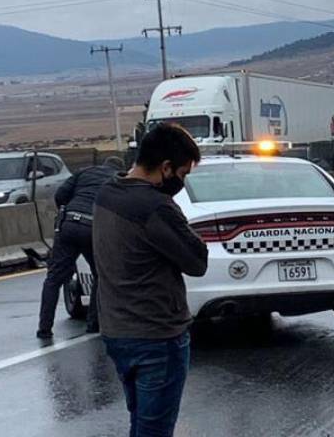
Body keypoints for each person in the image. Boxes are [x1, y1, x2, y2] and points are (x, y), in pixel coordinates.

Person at [93, 124, 207, 437]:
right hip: (157, 335)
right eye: (182, 174)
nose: (181, 183)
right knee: (154, 430)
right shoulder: (156, 207)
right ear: (166, 167)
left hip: (117, 331)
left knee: (141, 424)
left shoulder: (107, 194)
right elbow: (197, 261)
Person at [36, 155, 126, 339]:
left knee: (54, 278)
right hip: (94, 228)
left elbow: (60, 195)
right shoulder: (119, 181)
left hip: (68, 224)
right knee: (99, 275)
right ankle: (93, 324)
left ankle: (44, 329)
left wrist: (68, 210)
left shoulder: (85, 172)